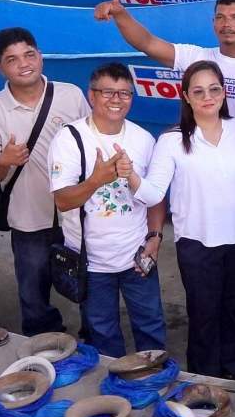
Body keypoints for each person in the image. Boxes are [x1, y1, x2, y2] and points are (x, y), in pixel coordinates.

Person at [93, 0, 235, 345]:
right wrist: (120, 14)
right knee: (211, 281)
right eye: (221, 17)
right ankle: (210, 356)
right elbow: (148, 43)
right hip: (206, 180)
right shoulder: (198, 57)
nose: (227, 24)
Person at [130, 61, 235, 379]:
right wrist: (129, 176)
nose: (207, 96)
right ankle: (204, 377)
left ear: (224, 92)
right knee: (203, 312)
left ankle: (231, 369)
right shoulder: (172, 141)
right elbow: (153, 192)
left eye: (214, 89)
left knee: (232, 307)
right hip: (197, 242)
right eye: (198, 91)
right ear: (186, 96)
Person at [48, 63, 166, 358]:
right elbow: (62, 200)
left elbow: (155, 196)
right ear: (92, 95)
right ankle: (115, 389)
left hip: (137, 255)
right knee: (102, 332)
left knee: (151, 325)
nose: (116, 99)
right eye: (108, 92)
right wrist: (98, 179)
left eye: (124, 93)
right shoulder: (69, 139)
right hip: (91, 262)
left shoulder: (142, 139)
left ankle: (152, 380)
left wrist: (155, 238)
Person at [0, 28, 89, 337]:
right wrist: (4, 160)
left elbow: (91, 145)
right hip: (28, 219)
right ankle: (43, 343)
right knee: (33, 292)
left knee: (88, 284)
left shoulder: (70, 94)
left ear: (40, 56)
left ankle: (94, 339)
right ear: (0, 68)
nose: (24, 64)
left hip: (75, 215)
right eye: (12, 59)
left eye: (29, 54)